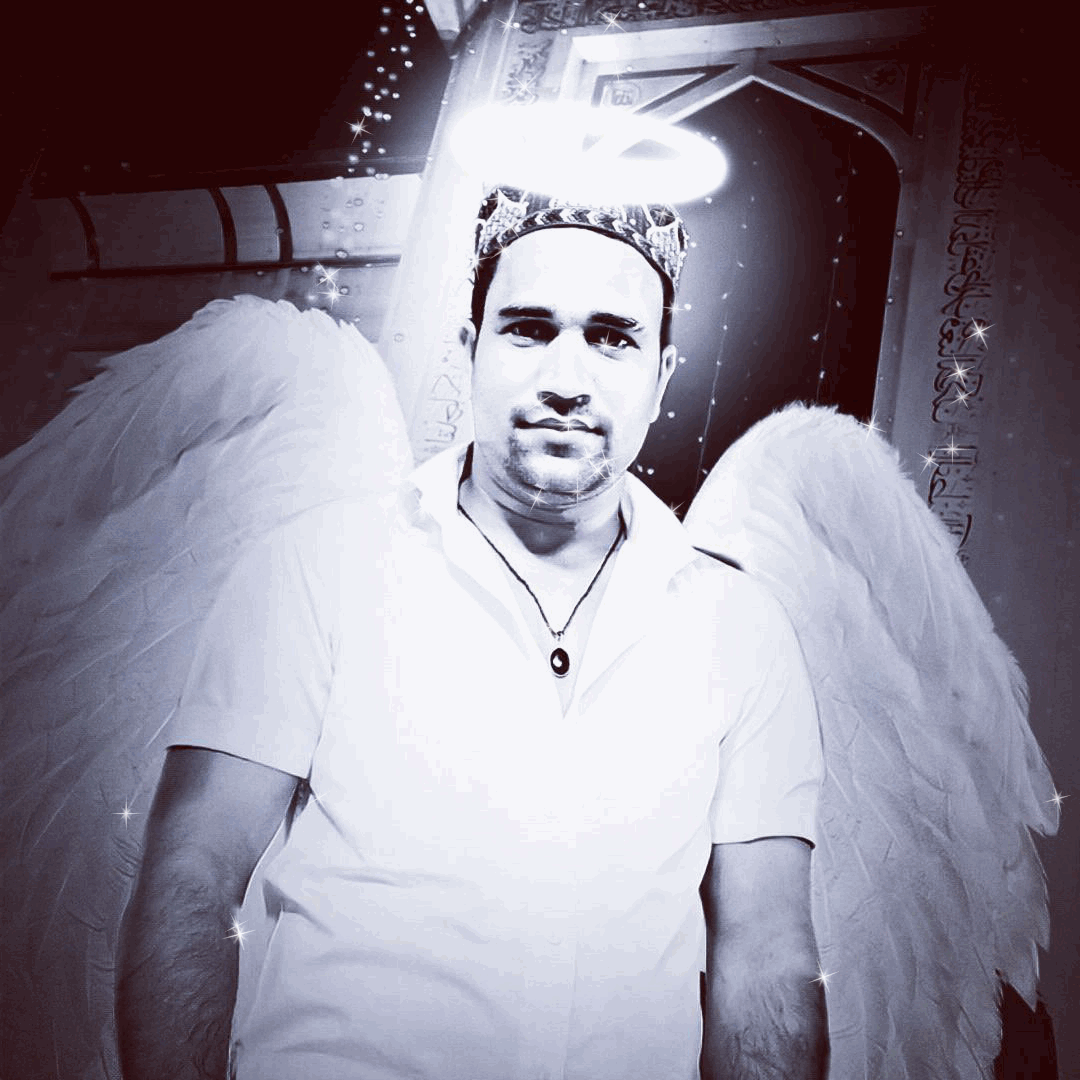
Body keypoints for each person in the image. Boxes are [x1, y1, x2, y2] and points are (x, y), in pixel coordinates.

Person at [116, 186, 829, 1080]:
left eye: (613, 338)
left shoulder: (742, 628)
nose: (567, 379)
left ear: (662, 374)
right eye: (529, 329)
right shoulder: (319, 564)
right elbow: (193, 874)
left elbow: (766, 958)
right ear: (469, 349)